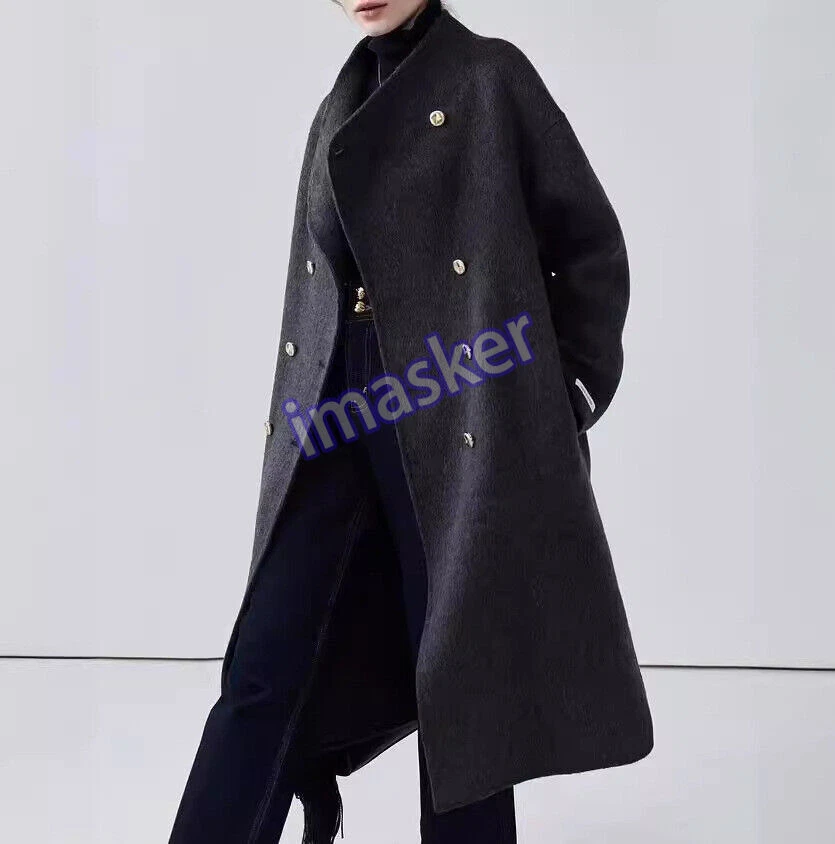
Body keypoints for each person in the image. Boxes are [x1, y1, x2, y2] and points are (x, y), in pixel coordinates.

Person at [169, 1, 654, 842]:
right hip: (340, 403)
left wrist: (564, 398)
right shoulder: (340, 101)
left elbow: (589, 248)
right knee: (263, 663)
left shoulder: (489, 76)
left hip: (456, 393)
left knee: (462, 671)